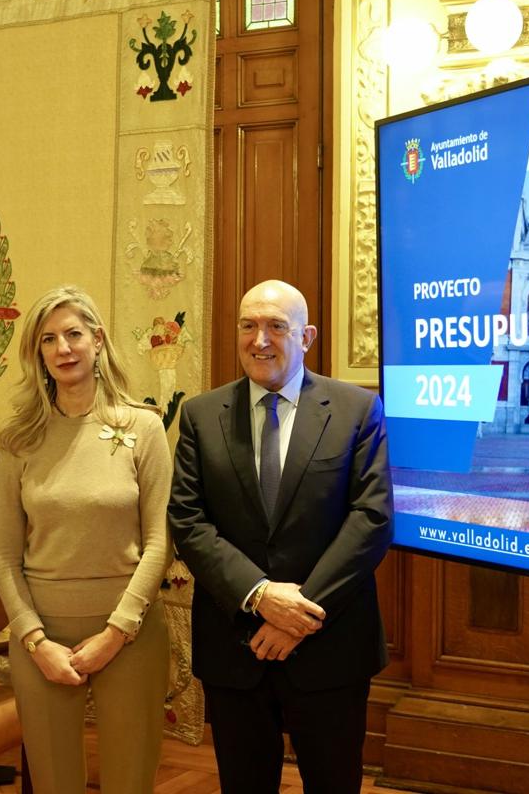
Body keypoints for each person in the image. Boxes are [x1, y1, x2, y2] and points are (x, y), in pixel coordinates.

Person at [168, 279, 393, 794]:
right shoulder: (202, 416)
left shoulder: (357, 411)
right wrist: (261, 596)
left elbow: (372, 519)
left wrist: (300, 613)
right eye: (248, 325)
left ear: (307, 336)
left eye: (276, 326)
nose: (260, 340)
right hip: (235, 644)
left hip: (330, 644)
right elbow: (187, 519)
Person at [0, 286, 172, 794]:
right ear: (38, 354)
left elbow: (160, 541)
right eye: (48, 339)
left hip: (130, 634)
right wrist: (34, 640)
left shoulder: (144, 427)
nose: (63, 348)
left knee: (130, 781)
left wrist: (117, 632)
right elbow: (4, 555)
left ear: (97, 341)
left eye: (73, 334)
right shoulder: (18, 439)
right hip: (41, 638)